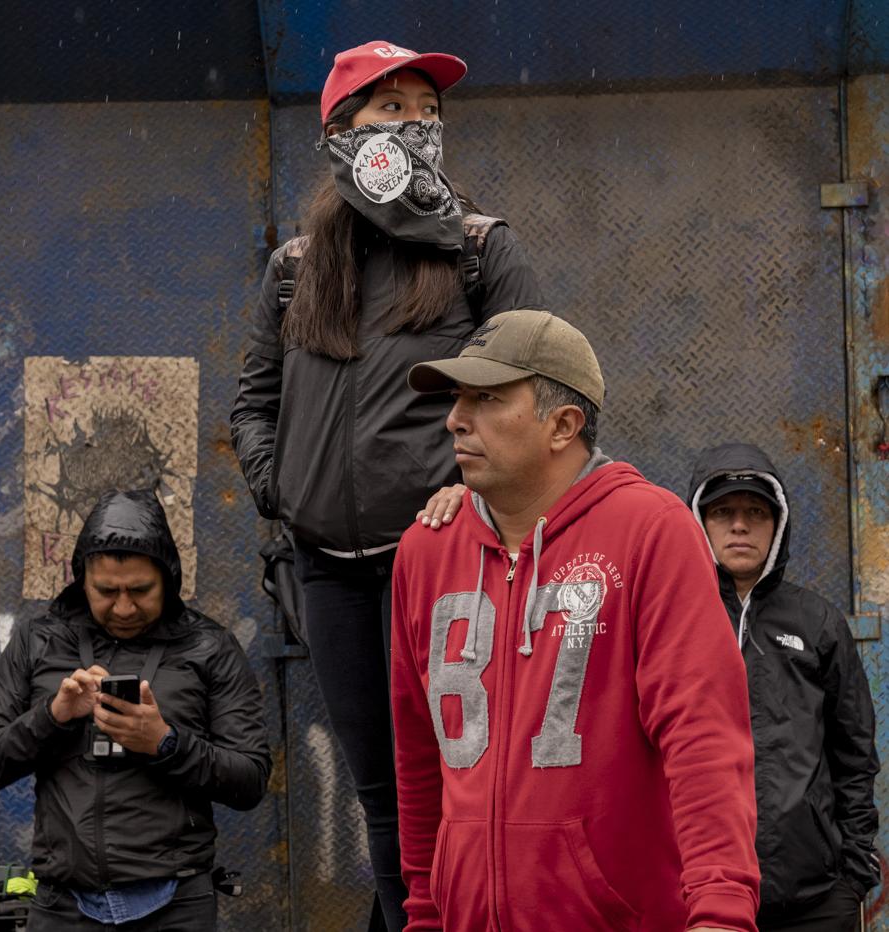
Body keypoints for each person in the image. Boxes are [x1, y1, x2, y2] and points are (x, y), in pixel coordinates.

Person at [230, 40, 545, 931]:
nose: (414, 124)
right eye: (389, 110)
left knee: (467, 780)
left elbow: (543, 393)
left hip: (447, 564)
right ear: (340, 135)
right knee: (385, 795)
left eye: (424, 108)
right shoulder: (296, 268)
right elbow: (252, 404)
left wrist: (479, 498)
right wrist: (281, 491)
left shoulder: (481, 250)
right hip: (326, 569)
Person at [391, 309, 760, 932]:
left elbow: (703, 738)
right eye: (457, 398)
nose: (456, 419)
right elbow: (419, 754)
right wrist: (426, 912)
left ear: (563, 425)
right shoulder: (426, 549)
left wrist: (721, 910)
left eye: (485, 398)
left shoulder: (650, 530)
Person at [0, 489, 271, 931]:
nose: (124, 607)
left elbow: (251, 779)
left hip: (177, 902)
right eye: (106, 591)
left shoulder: (209, 647)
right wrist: (53, 715)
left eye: (141, 590)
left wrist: (165, 743)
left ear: (168, 578)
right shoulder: (39, 641)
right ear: (81, 579)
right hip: (62, 903)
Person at [687, 443, 879, 932]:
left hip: (813, 898)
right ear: (699, 523)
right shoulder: (673, 617)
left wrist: (853, 875)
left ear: (778, 525)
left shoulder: (817, 621)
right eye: (723, 512)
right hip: (698, 893)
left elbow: (854, 753)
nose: (740, 525)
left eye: (756, 512)